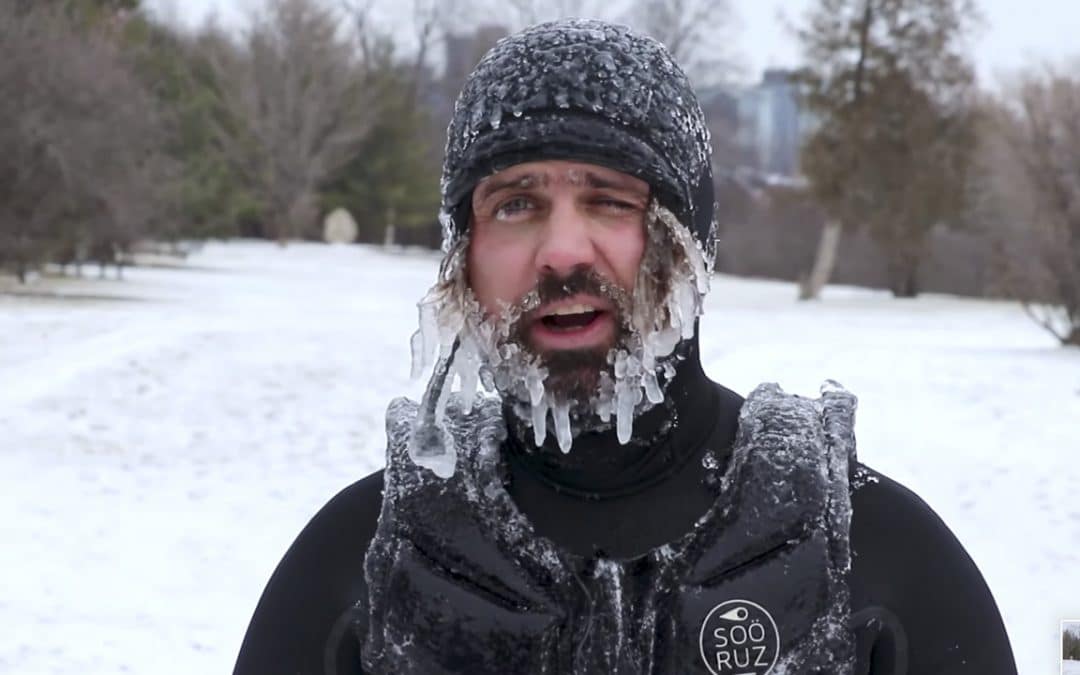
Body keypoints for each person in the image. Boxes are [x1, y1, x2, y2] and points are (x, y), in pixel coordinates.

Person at [234, 19, 1017, 675]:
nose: (562, 251)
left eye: (610, 200)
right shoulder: (361, 569)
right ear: (462, 259)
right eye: (514, 204)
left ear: (690, 241)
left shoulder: (874, 560)